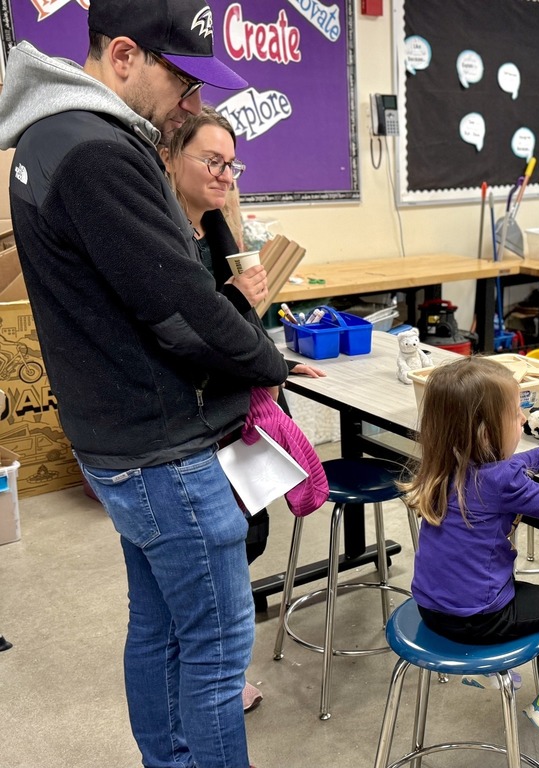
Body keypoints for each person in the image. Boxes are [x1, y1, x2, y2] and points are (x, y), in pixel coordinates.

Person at [0, 2, 290, 766]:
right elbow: (183, 312)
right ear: (123, 56)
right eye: (185, 83)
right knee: (221, 647)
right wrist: (269, 362)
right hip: (163, 451)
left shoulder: (54, 136)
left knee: (161, 628)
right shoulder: (96, 151)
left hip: (121, 439)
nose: (193, 104)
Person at [161, 105, 326, 712]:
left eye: (231, 163)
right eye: (211, 160)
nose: (225, 174)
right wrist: (235, 303)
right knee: (219, 549)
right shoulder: (167, 236)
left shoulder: (217, 229)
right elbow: (189, 331)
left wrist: (276, 360)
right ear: (169, 157)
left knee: (246, 533)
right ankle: (216, 679)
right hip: (195, 414)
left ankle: (216, 669)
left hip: (235, 405)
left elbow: (239, 323)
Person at [401, 356, 539, 734]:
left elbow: (506, 466)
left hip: (430, 608)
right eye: (516, 413)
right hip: (478, 618)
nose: (523, 419)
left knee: (510, 588)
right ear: (485, 432)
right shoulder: (499, 481)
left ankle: (487, 671)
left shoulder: (442, 464)